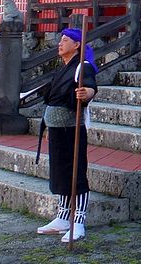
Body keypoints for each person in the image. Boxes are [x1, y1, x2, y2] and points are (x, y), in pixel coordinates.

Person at [36, 28, 97, 243]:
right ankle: (63, 217)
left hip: (72, 129)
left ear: (77, 45)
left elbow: (90, 87)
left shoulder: (83, 66)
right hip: (57, 129)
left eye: (65, 40)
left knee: (75, 173)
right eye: (60, 40)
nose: (60, 44)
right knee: (61, 173)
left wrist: (86, 93)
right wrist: (49, 128)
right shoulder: (63, 68)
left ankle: (78, 220)